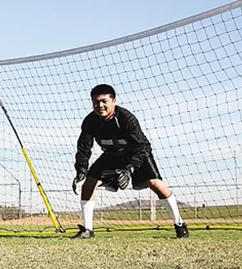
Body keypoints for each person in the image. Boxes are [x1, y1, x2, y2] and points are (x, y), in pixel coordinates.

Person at [71, 84, 189, 239]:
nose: (100, 105)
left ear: (113, 100)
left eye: (104, 101)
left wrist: (129, 169)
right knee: (88, 182)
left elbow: (140, 147)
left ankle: (179, 224)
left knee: (155, 184)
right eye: (96, 102)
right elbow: (84, 149)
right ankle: (88, 230)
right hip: (111, 155)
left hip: (138, 153)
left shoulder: (127, 118)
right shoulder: (90, 121)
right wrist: (81, 172)